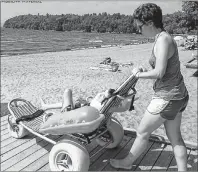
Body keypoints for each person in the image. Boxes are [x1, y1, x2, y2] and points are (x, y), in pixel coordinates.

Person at [110, 3, 189, 171]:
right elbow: (165, 68)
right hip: (178, 96)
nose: (139, 30)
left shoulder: (162, 40)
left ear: (150, 23)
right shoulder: (163, 37)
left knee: (142, 132)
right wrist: (145, 70)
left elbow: (159, 72)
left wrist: (138, 75)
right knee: (175, 138)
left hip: (167, 97)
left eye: (140, 26)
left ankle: (127, 162)